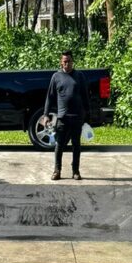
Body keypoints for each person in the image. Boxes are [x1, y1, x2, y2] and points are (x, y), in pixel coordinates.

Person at [43, 51, 91, 181]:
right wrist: (46, 115)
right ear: (61, 62)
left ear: (72, 62)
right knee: (59, 144)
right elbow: (50, 97)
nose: (66, 63)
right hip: (62, 118)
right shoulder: (56, 77)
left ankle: (75, 171)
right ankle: (57, 171)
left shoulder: (79, 76)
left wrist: (87, 113)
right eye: (64, 61)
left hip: (76, 117)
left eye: (69, 61)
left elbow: (85, 96)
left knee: (76, 144)